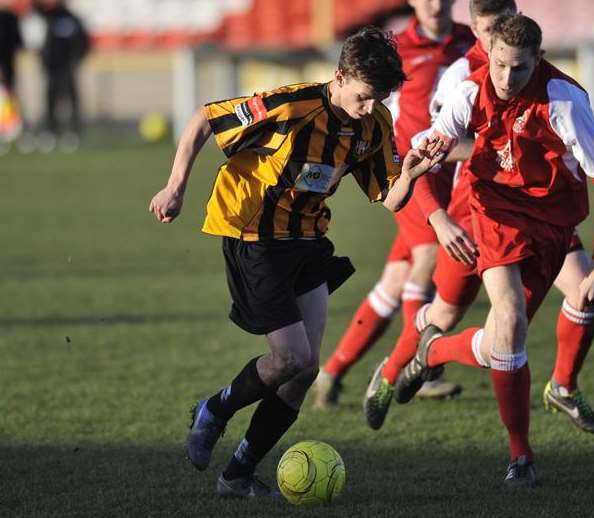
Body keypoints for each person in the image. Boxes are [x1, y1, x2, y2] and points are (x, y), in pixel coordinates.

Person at [149, 26, 447, 498]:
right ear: (341, 76)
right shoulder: (291, 106)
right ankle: (214, 410)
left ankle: (239, 473)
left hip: (307, 239)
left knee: (304, 371)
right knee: (291, 356)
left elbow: (389, 198)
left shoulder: (376, 123)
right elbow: (206, 119)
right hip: (255, 236)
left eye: (380, 98)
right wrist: (175, 187)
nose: (371, 107)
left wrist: (411, 171)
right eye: (366, 96)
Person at [366, 13, 594, 487]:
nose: (506, 78)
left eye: (518, 68)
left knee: (568, 305)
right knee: (491, 319)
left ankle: (536, 378)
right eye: (498, 62)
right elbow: (422, 153)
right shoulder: (466, 83)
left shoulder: (564, 101)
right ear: (485, 41)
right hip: (487, 214)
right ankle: (519, 455)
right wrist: (437, 216)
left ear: (537, 58)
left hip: (550, 222)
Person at [315, 0, 474, 408]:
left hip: (451, 177)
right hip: (411, 172)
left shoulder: (470, 42)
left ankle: (332, 371)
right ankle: (419, 370)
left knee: (395, 280)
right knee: (425, 261)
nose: (435, 4)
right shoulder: (396, 49)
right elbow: (396, 123)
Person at [34, 0, 89, 152]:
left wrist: (74, 62)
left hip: (67, 68)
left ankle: (73, 133)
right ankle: (50, 132)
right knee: (50, 101)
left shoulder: (72, 19)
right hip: (51, 69)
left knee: (71, 101)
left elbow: (83, 44)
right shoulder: (47, 17)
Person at [0, 1, 23, 146]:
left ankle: (10, 129)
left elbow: (18, 42)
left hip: (8, 66)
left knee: (8, 97)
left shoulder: (11, 18)